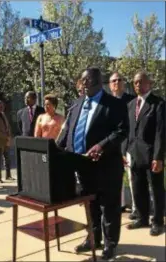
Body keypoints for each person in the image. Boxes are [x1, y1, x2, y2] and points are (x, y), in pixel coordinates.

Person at [56, 67, 128, 260]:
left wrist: (101, 146)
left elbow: (122, 131)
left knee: (109, 207)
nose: (84, 84)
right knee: (91, 205)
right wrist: (56, 149)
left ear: (98, 82)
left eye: (88, 81)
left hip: (106, 166)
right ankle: (93, 238)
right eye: (82, 81)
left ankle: (110, 244)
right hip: (83, 165)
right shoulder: (77, 103)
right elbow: (69, 130)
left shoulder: (114, 104)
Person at [125, 71, 165, 236]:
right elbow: (128, 131)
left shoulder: (159, 104)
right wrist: (124, 151)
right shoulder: (131, 104)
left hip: (151, 155)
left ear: (150, 84)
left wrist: (158, 157)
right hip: (134, 154)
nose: (138, 85)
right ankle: (142, 218)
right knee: (137, 187)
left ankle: (157, 221)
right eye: (135, 82)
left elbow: (160, 133)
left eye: (141, 82)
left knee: (155, 189)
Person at [109, 72, 136, 217]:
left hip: (130, 145)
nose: (117, 82)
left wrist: (126, 149)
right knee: (115, 177)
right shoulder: (106, 103)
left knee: (132, 178)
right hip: (112, 147)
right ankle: (120, 205)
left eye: (120, 80)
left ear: (124, 83)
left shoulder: (132, 101)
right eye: (114, 80)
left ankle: (136, 209)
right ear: (110, 85)